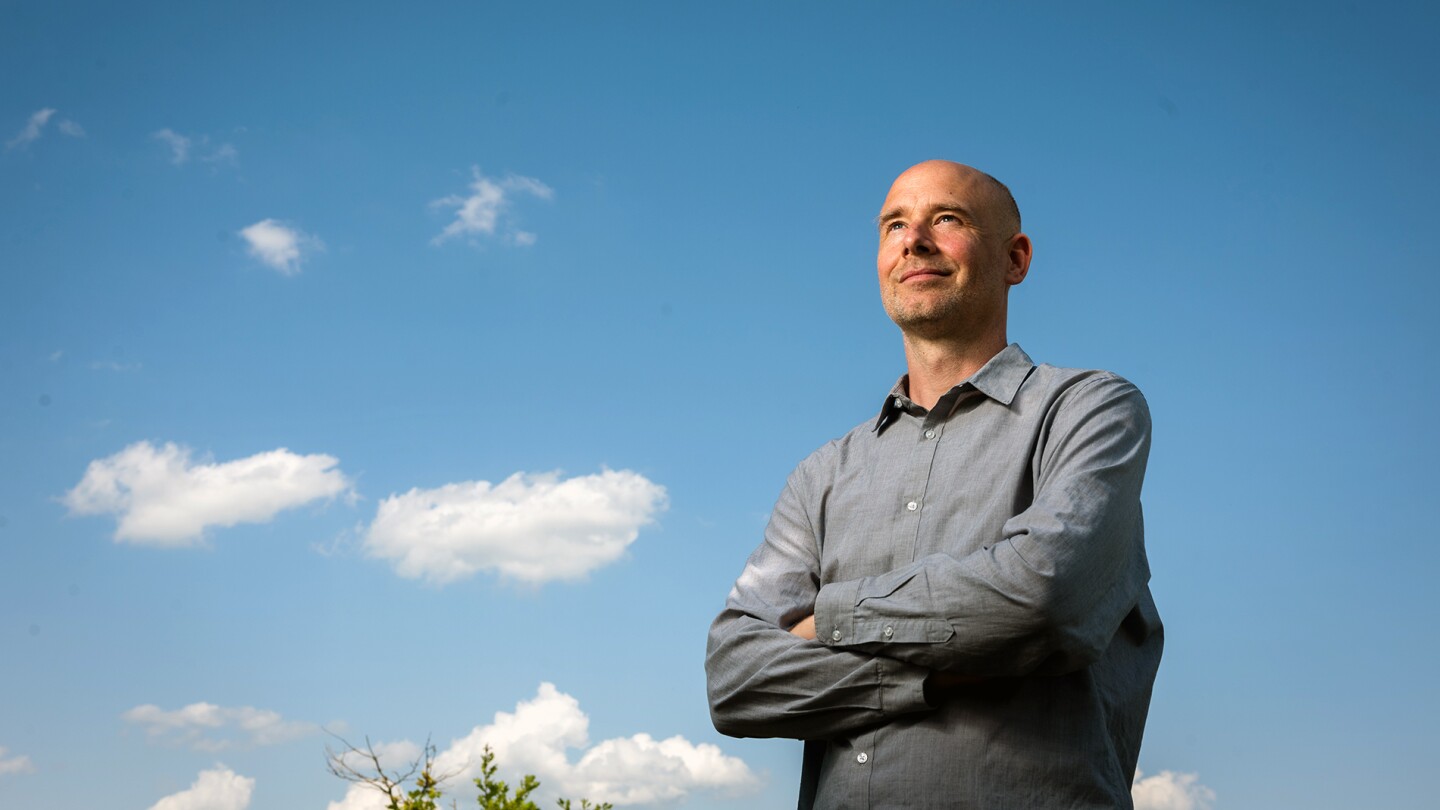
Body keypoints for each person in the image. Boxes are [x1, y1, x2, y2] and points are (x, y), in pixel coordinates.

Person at [705, 160, 1162, 809]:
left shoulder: (1089, 409)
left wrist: (825, 619)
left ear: (1016, 258)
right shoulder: (822, 475)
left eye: (946, 219)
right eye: (895, 224)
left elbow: (1045, 600)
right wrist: (940, 674)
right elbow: (734, 678)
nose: (913, 240)